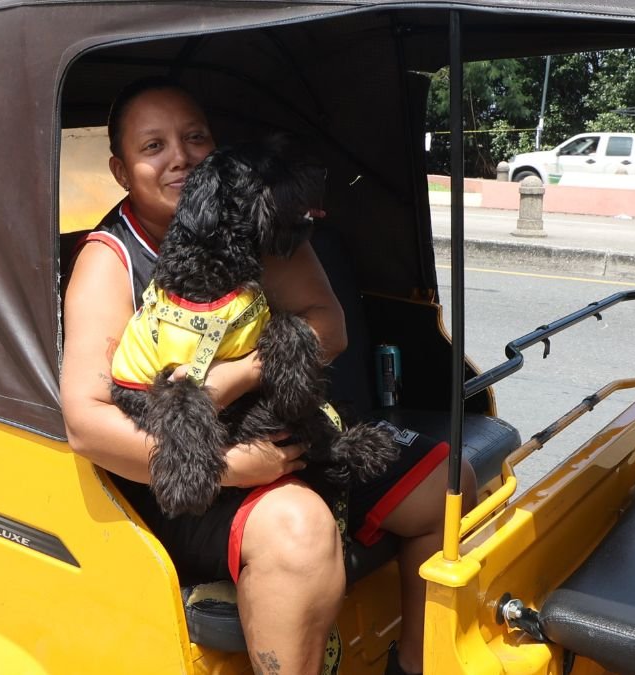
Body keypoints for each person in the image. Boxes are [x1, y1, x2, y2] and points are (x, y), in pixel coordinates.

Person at [60, 77, 477, 675]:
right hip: (181, 479)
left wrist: (235, 377)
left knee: (446, 478)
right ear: (122, 171)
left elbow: (327, 325)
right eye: (153, 147)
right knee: (300, 530)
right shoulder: (109, 261)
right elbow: (87, 421)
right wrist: (231, 469)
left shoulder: (258, 223)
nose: (179, 156)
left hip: (284, 432)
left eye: (194, 137)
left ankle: (412, 662)